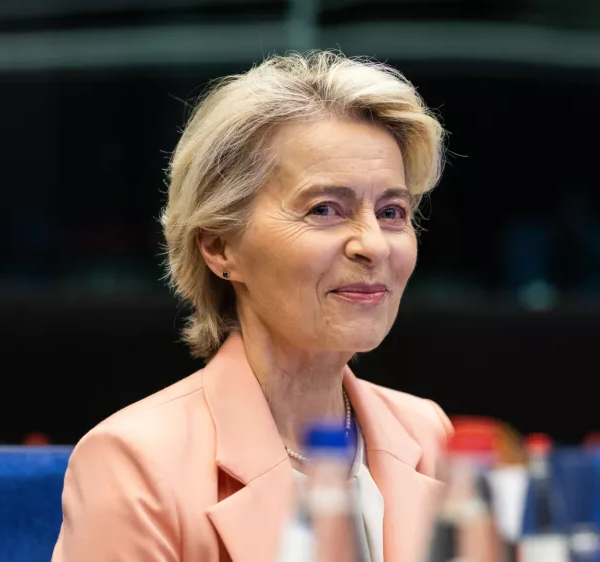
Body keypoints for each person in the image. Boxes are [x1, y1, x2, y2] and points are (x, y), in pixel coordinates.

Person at [52, 51, 452, 562]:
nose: (373, 244)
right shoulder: (134, 462)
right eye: (325, 209)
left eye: (392, 212)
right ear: (220, 246)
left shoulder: (427, 432)